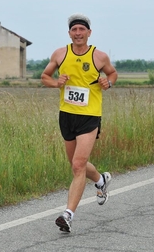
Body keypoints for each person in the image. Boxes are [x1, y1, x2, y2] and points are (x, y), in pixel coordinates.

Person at [41, 13, 118, 232]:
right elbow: (44, 76)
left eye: (81, 30)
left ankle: (68, 215)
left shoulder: (99, 57)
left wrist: (108, 82)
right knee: (76, 164)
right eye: (74, 30)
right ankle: (101, 179)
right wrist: (56, 83)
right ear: (69, 33)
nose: (77, 33)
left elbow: (113, 74)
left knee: (78, 164)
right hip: (66, 115)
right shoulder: (60, 53)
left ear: (88, 33)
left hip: (89, 116)